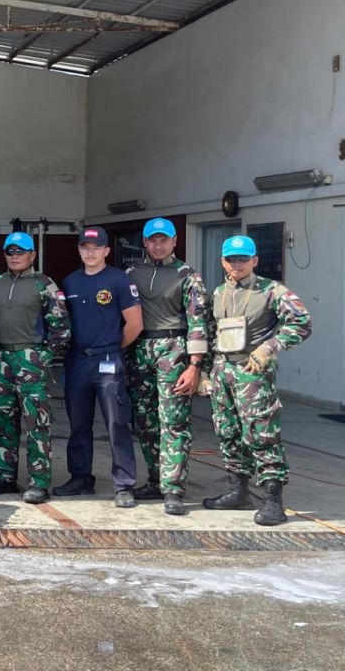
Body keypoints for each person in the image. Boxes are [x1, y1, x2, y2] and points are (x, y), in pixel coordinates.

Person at [202, 235, 311, 526]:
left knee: (261, 434)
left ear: (255, 261)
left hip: (252, 372)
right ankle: (238, 491)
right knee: (228, 431)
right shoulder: (220, 292)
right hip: (224, 370)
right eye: (231, 259)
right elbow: (213, 332)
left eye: (243, 259)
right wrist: (206, 370)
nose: (237, 264)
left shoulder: (272, 291)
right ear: (223, 261)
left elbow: (301, 322)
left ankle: (274, 500)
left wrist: (270, 347)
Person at [125, 218, 209, 516]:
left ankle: (174, 489)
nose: (157, 245)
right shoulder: (132, 273)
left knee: (173, 422)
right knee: (146, 422)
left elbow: (199, 321)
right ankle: (155, 479)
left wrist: (195, 365)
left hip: (174, 350)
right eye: (152, 240)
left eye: (164, 240)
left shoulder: (186, 275)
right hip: (139, 351)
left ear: (174, 242)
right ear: (145, 243)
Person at [55, 226, 143, 508]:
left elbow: (135, 324)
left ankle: (124, 484)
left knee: (116, 423)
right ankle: (80, 477)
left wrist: (113, 349)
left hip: (107, 359)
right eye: (84, 247)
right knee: (78, 423)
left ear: (106, 250)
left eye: (95, 248)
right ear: (79, 250)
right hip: (78, 360)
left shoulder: (118, 281)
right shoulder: (70, 282)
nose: (89, 253)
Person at [0, 232, 70, 504]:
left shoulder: (45, 285)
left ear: (32, 255)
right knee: (2, 422)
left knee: (36, 423)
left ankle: (38, 482)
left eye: (21, 251)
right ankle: (5, 475)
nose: (15, 256)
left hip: (30, 359)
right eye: (10, 251)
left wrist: (43, 356)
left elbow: (61, 328)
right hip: (0, 360)